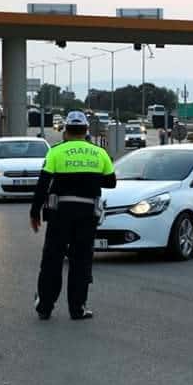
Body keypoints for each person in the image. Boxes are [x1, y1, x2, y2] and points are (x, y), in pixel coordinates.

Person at [30, 111, 116, 320]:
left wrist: (35, 212)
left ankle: (45, 307)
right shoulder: (99, 153)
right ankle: (77, 309)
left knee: (52, 260)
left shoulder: (56, 152)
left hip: (60, 214)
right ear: (86, 131)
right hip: (87, 215)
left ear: (65, 131)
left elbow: (42, 184)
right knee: (81, 262)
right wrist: (90, 179)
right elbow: (111, 182)